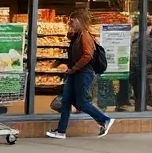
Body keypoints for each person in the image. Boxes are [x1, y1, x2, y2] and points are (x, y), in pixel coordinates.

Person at [47, 9, 113, 139]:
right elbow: (70, 38)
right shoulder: (77, 35)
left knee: (82, 103)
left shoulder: (85, 36)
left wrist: (74, 68)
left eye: (72, 21)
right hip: (75, 72)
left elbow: (87, 55)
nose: (70, 23)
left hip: (83, 73)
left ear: (79, 20)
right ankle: (61, 131)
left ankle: (104, 120)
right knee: (66, 101)